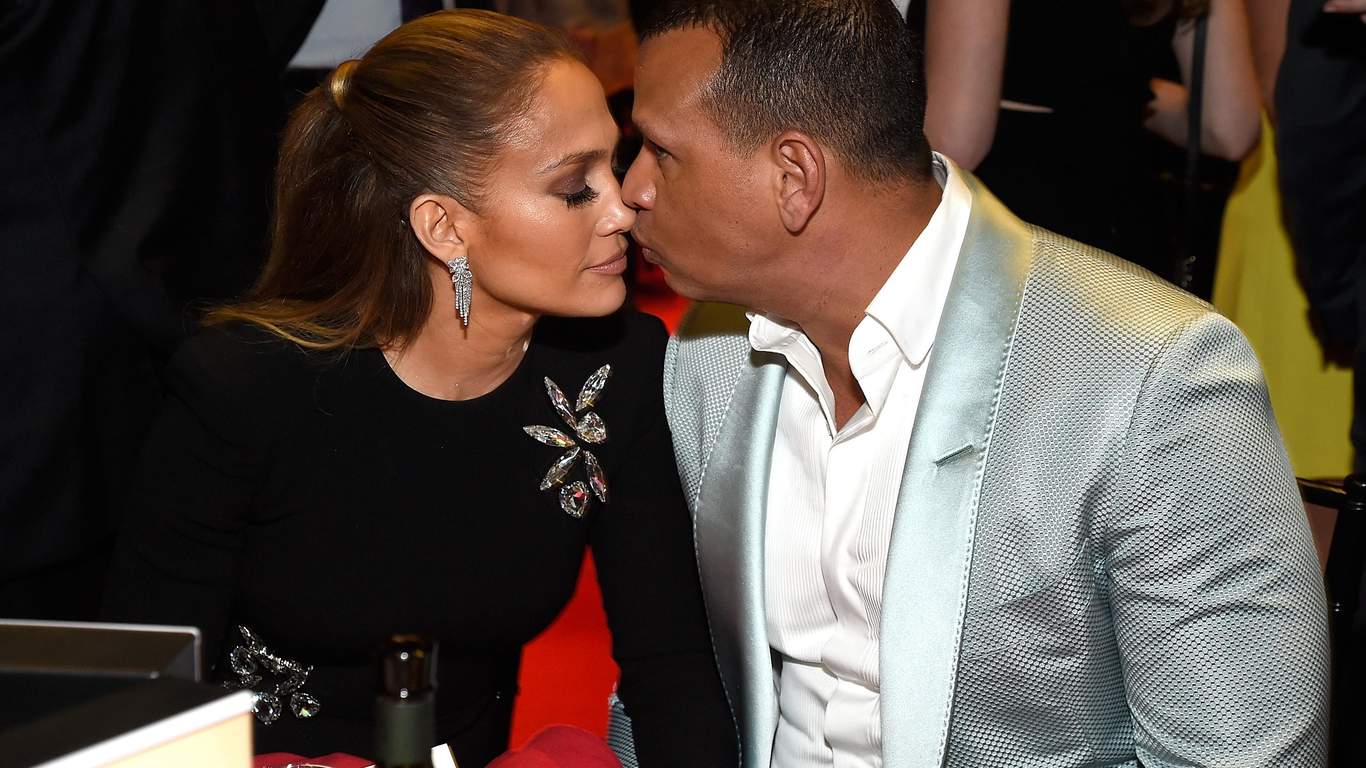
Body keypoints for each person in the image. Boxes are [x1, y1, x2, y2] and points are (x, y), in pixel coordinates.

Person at [620, 1, 1328, 765]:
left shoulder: (1148, 378)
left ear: (795, 176)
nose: (631, 188)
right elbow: (674, 686)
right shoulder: (709, 353)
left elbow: (1239, 751)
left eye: (660, 151)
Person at [102, 11, 735, 767]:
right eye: (575, 187)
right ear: (443, 227)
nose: (622, 208)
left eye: (615, 164)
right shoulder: (245, 388)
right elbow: (142, 698)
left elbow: (672, 668)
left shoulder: (614, 368)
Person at [913, 0, 1261, 293]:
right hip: (1126, 245)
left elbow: (955, 144)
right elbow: (1229, 127)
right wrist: (1114, 87)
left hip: (1010, 244)